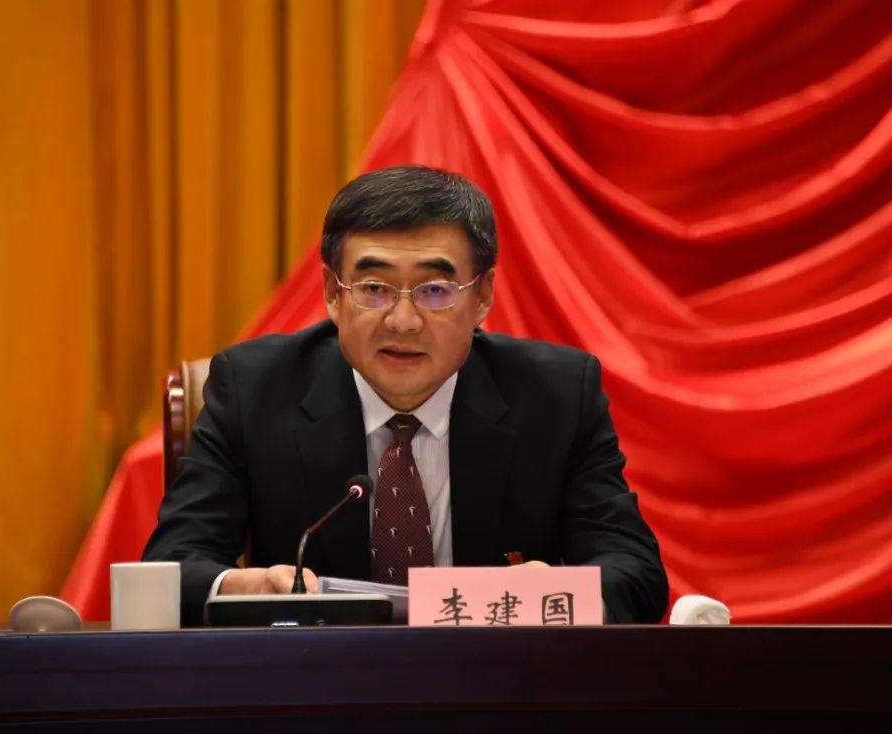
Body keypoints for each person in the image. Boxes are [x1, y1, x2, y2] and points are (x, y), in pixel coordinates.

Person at [143, 165, 668, 625]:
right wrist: (248, 587)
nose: (403, 321)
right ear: (332, 293)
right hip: (314, 684)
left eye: (434, 291)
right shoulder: (256, 389)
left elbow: (635, 573)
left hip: (497, 687)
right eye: (374, 288)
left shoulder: (555, 396)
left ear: (483, 296)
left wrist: (552, 588)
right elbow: (171, 567)